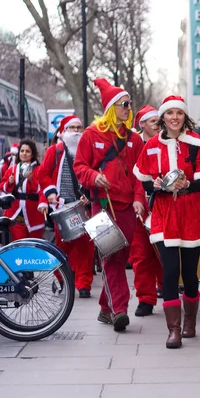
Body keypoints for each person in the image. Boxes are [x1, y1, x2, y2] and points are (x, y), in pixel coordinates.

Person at [134, 95, 200, 348]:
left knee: (189, 272)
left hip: (190, 209)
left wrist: (187, 183)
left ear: (185, 117)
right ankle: (173, 330)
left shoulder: (196, 144)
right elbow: (143, 177)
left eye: (179, 113)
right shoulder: (151, 145)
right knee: (170, 270)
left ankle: (190, 323)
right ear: (162, 117)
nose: (174, 117)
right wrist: (152, 184)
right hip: (164, 211)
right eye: (169, 113)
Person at [73, 78, 145, 332]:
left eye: (129, 104)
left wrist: (139, 199)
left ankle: (105, 306)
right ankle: (120, 310)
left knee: (120, 256)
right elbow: (79, 167)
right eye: (124, 104)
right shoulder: (91, 135)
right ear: (112, 107)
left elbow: (139, 173)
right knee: (111, 256)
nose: (128, 108)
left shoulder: (135, 140)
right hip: (100, 205)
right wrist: (94, 177)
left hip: (127, 207)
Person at [38, 115, 95, 298]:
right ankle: (62, 277)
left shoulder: (88, 151)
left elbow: (94, 174)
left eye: (79, 127)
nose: (77, 131)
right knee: (63, 246)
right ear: (63, 132)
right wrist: (50, 193)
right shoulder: (54, 151)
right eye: (72, 128)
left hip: (82, 206)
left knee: (86, 247)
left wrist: (91, 195)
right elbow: (43, 174)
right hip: (61, 207)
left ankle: (84, 284)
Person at [126, 105, 164, 317]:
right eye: (153, 122)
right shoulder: (133, 145)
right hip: (140, 206)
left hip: (163, 205)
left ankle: (167, 291)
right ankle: (145, 299)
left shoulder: (167, 142)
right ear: (142, 124)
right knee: (140, 255)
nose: (158, 126)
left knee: (164, 253)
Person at [0, 139, 47, 240]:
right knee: (18, 243)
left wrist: (31, 180)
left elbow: (42, 189)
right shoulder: (12, 169)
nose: (24, 154)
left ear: (32, 154)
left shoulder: (38, 170)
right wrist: (10, 182)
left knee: (33, 244)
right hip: (15, 212)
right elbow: (3, 188)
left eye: (27, 151)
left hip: (33, 213)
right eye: (22, 151)